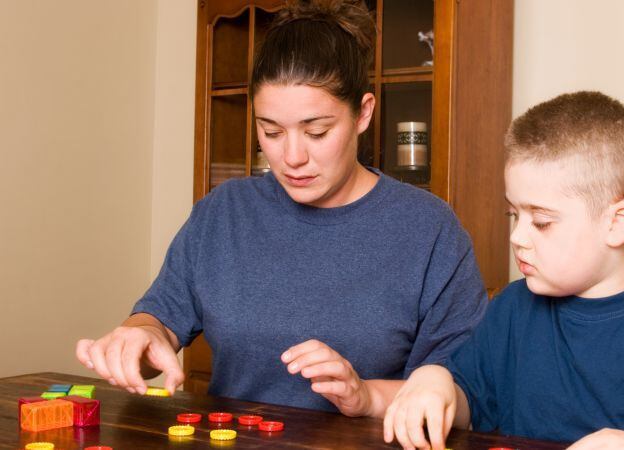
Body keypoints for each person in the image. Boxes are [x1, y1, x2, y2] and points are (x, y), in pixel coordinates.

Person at [75, 0, 487, 413]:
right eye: (271, 131)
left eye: (317, 131)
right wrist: (138, 338)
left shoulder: (428, 229)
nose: (291, 157)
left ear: (363, 113)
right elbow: (159, 323)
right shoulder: (224, 212)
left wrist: (364, 395)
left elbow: (465, 396)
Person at [377, 91, 624, 449]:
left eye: (542, 221)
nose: (517, 237)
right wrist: (436, 381)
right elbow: (470, 401)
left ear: (617, 223)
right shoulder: (513, 308)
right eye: (514, 214)